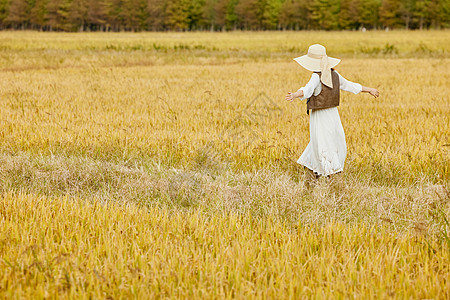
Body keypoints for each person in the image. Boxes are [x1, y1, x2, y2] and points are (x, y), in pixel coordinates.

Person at [285, 44, 379, 178]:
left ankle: (330, 175)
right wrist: (369, 89)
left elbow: (307, 89)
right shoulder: (335, 74)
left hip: (320, 115)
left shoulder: (316, 76)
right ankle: (315, 178)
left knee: (321, 143)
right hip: (333, 115)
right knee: (327, 142)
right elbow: (349, 85)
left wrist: (295, 94)